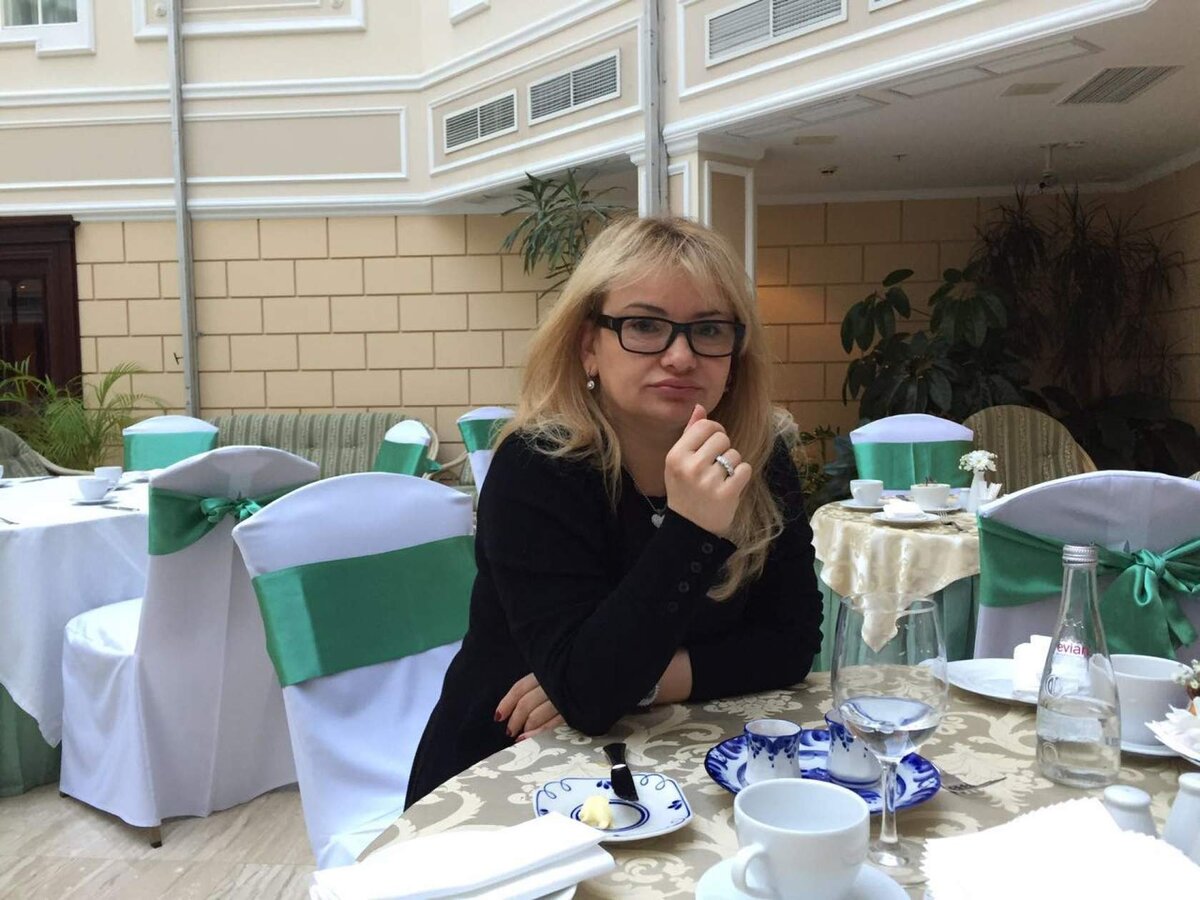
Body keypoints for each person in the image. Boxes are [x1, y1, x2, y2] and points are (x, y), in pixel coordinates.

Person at [405, 215, 824, 807]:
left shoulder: (757, 457)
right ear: (588, 347)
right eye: (645, 325)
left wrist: (644, 681)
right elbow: (590, 695)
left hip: (689, 765)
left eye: (708, 330)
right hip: (509, 770)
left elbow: (791, 644)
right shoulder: (537, 465)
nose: (680, 356)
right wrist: (691, 528)